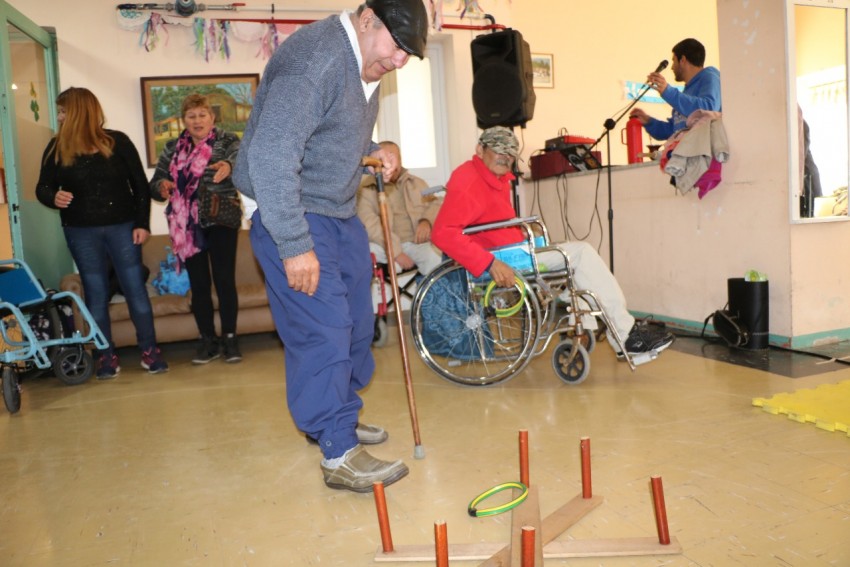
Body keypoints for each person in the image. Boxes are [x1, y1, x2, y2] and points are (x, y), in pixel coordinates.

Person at [232, 0, 428, 493]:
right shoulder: (315, 59)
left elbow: (326, 137)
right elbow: (273, 155)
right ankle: (338, 451)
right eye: (397, 47)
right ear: (367, 18)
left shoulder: (368, 62)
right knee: (324, 329)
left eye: (409, 54)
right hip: (292, 213)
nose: (400, 61)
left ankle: (333, 416)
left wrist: (378, 151)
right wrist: (294, 244)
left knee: (359, 326)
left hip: (339, 213)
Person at [430, 127, 675, 360]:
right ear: (480, 149)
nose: (504, 157)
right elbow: (442, 233)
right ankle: (625, 334)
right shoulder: (469, 181)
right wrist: (490, 263)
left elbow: (491, 222)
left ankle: (583, 325)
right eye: (498, 150)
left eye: (510, 153)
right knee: (580, 254)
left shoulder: (495, 177)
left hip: (515, 251)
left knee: (576, 262)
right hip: (503, 258)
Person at [35, 87, 169, 379]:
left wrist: (142, 224)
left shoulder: (117, 142)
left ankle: (150, 351)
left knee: (135, 290)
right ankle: (106, 356)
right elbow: (42, 188)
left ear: (79, 111)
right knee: (96, 294)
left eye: (62, 110)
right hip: (80, 232)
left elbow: (140, 187)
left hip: (123, 229)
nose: (59, 116)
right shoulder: (56, 146)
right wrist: (53, 197)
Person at [150, 93, 243, 365]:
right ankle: (207, 340)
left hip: (222, 220)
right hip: (186, 227)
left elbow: (243, 167)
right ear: (184, 121)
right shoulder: (172, 148)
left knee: (224, 281)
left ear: (212, 117)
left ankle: (230, 338)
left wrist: (229, 165)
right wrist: (162, 186)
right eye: (191, 116)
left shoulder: (228, 141)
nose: (197, 120)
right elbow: (156, 183)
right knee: (199, 285)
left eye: (202, 114)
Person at [357, 140, 443, 276]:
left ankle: (430, 296)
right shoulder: (366, 189)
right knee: (365, 251)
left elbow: (436, 203)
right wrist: (395, 251)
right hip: (384, 246)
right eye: (385, 159)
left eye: (394, 158)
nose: (390, 164)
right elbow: (370, 226)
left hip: (416, 244)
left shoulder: (416, 183)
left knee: (435, 258)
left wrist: (426, 221)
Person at [629, 38, 722, 140]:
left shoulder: (710, 76)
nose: (672, 67)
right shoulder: (686, 92)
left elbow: (708, 109)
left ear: (682, 60)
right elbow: (673, 131)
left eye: (674, 61)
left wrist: (667, 91)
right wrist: (648, 121)